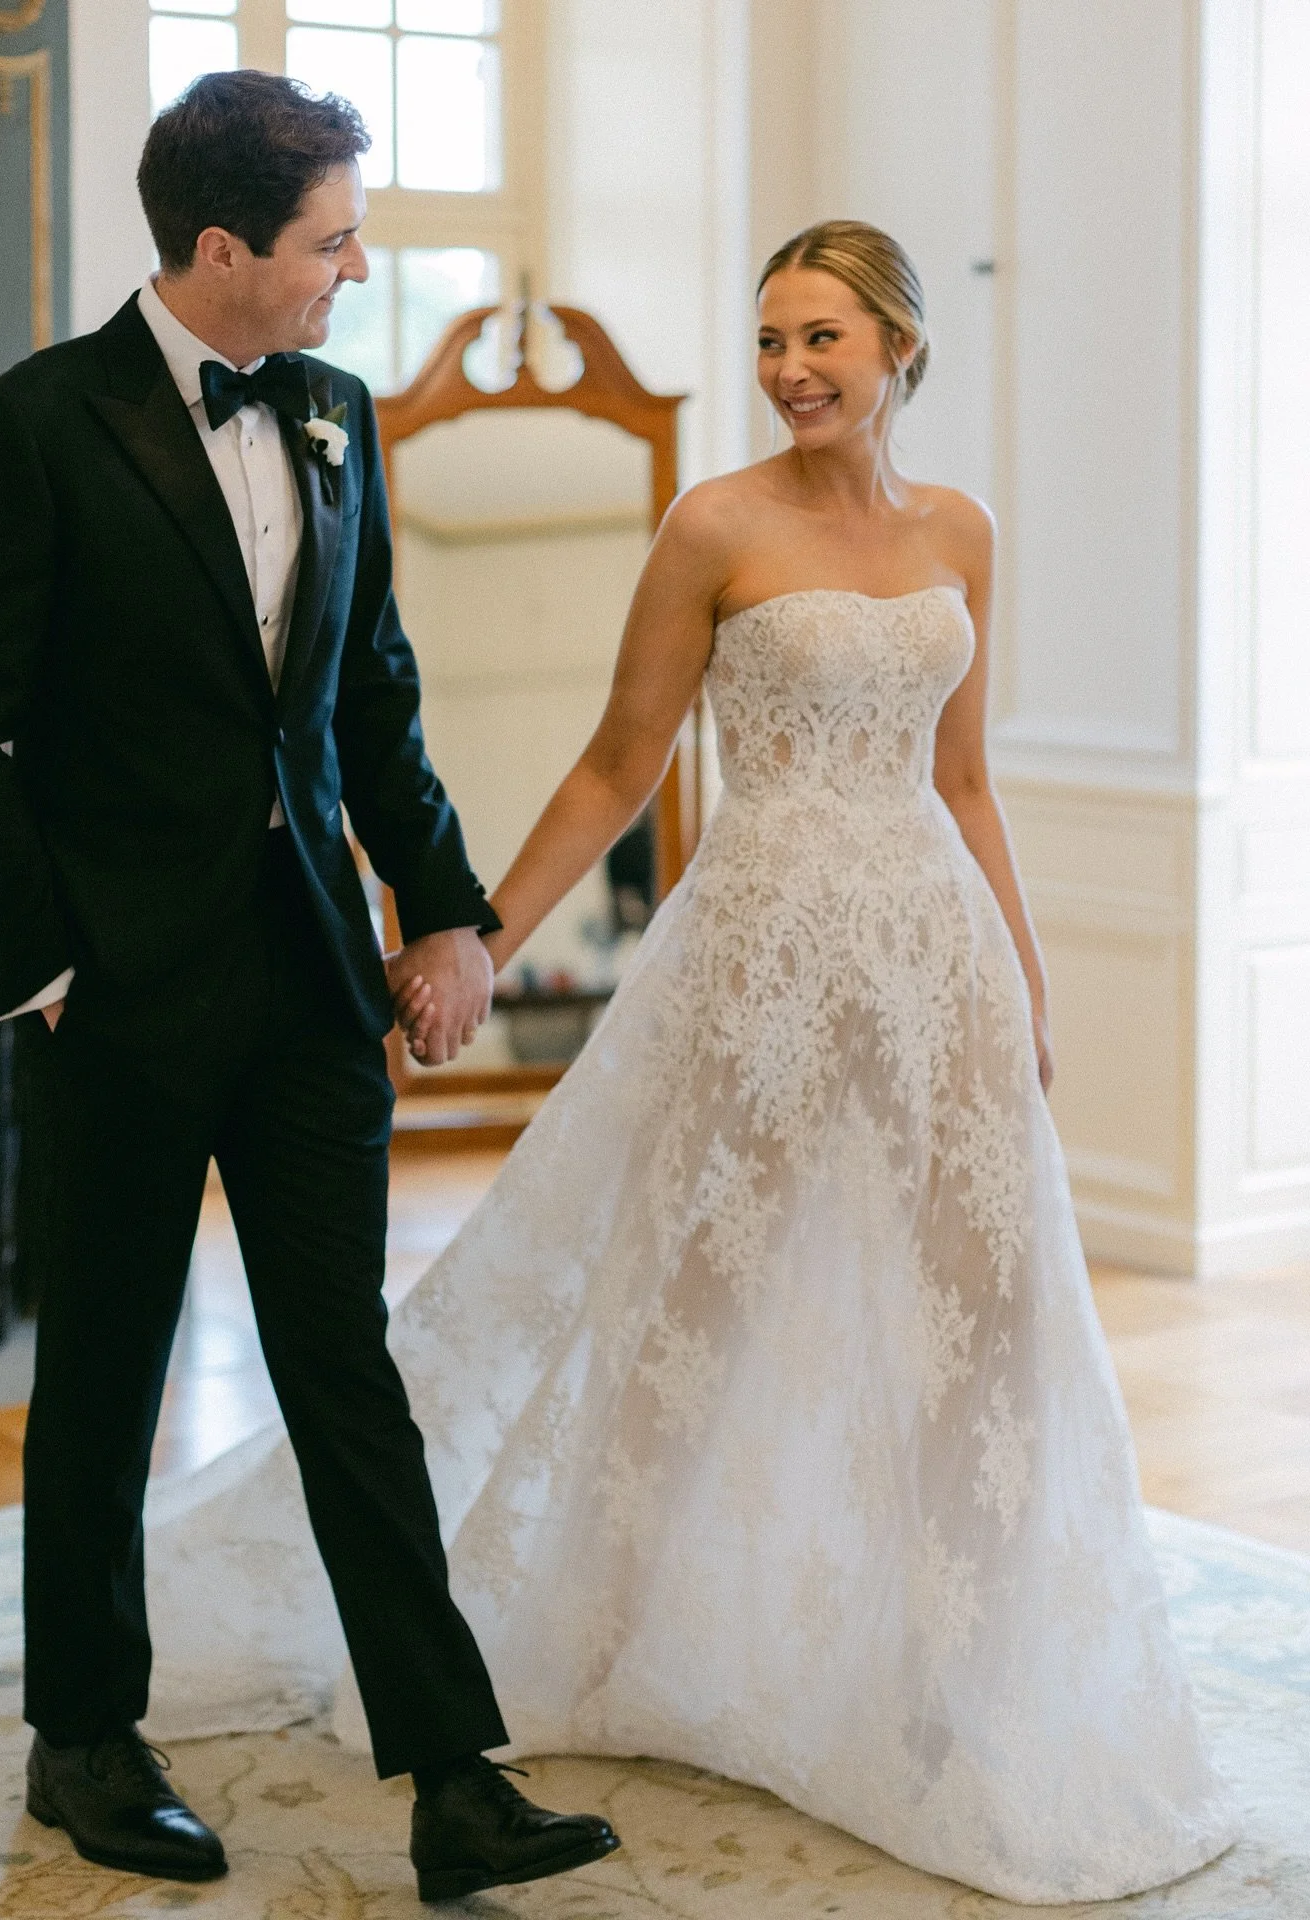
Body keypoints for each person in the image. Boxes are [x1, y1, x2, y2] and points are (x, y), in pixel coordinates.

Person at [368, 218, 1240, 1898]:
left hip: (934, 957)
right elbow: (620, 762)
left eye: (822, 336)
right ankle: (606, 1630)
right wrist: (471, 926)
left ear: (900, 346)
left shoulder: (963, 532)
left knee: (976, 1317)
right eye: (770, 338)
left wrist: (1028, 974)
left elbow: (965, 780)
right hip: (758, 953)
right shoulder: (712, 525)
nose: (790, 369)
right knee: (694, 1289)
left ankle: (962, 1665)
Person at [0, 71, 618, 1903]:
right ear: (222, 250)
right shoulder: (31, 429)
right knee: (110, 1381)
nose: (352, 274)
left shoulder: (340, 416)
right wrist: (46, 967)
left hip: (308, 990)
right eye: (332, 242)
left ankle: (453, 1775)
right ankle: (84, 1740)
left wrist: (444, 913)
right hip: (112, 1003)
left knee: (348, 1375)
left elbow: (372, 693)